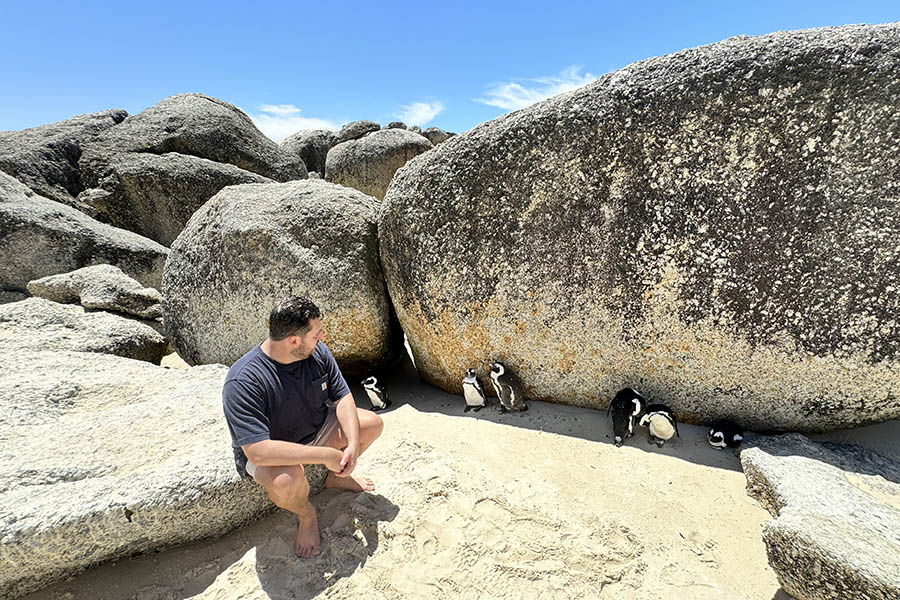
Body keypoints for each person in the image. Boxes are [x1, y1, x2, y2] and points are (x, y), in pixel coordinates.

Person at [222, 296, 384, 558]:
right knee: (287, 480)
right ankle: (306, 514)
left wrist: (352, 445)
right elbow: (258, 452)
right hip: (273, 451)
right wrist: (325, 456)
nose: (322, 337)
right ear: (293, 341)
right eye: (316, 334)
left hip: (316, 430)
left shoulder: (317, 352)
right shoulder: (243, 380)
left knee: (371, 424)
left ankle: (335, 479)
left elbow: (342, 397)